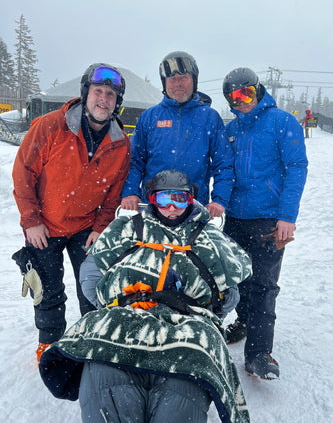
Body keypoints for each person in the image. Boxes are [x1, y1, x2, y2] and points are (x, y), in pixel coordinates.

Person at [39, 170, 252, 423]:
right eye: (164, 200)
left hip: (186, 324)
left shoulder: (209, 237)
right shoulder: (127, 229)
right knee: (109, 387)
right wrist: (112, 304)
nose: (172, 208)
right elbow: (92, 272)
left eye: (180, 200)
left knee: (179, 396)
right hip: (125, 314)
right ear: (152, 200)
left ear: (191, 200)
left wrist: (201, 311)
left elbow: (228, 293)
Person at [12, 63, 131, 362]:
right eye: (98, 92)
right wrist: (31, 221)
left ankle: (91, 338)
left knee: (92, 287)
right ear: (86, 93)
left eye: (111, 95)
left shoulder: (120, 143)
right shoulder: (51, 126)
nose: (103, 99)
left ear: (118, 103)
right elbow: (23, 173)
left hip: (86, 228)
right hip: (45, 226)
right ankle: (50, 343)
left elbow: (114, 192)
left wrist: (101, 227)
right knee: (48, 290)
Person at [222, 67, 308, 380]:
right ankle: (244, 321)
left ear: (258, 90)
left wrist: (287, 217)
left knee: (263, 284)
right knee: (237, 277)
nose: (242, 100)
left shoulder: (281, 122)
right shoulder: (230, 129)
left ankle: (259, 354)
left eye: (248, 92)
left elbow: (297, 167)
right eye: (235, 95)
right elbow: (222, 169)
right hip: (234, 217)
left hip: (269, 219)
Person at [121, 50, 234, 219]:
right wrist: (130, 192)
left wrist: (219, 200)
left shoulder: (210, 118)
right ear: (164, 83)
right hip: (154, 208)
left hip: (193, 210)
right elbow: (134, 161)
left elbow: (223, 164)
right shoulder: (150, 117)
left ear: (194, 80)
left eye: (184, 78)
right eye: (172, 79)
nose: (178, 83)